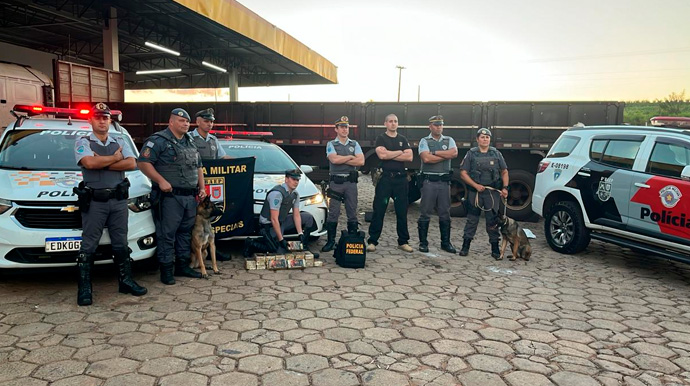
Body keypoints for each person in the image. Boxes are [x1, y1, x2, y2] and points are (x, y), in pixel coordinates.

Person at [74, 102, 147, 306]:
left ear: (110, 120)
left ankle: (126, 282)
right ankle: (85, 289)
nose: (102, 121)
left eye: (105, 118)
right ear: (91, 120)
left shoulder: (119, 140)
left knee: (120, 242)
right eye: (97, 117)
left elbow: (132, 163)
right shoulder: (83, 141)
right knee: (89, 244)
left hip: (118, 200)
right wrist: (115, 159)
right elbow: (88, 163)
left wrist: (104, 161)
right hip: (96, 201)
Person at [138, 108, 207, 284]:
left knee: (185, 232)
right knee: (167, 234)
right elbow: (144, 163)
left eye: (187, 122)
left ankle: (182, 266)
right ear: (171, 122)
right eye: (181, 121)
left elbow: (198, 166)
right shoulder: (158, 141)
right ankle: (166, 270)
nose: (185, 124)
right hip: (169, 197)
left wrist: (202, 187)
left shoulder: (190, 141)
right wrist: (160, 181)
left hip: (189, 197)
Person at [244, 169, 320, 258]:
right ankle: (251, 244)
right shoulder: (277, 194)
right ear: (286, 179)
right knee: (277, 251)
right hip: (269, 224)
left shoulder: (295, 194)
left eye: (297, 180)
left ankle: (304, 247)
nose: (296, 182)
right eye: (293, 179)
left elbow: (296, 215)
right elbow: (273, 219)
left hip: (282, 221)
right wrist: (281, 239)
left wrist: (300, 234)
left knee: (308, 217)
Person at [458, 128, 509, 259]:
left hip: (492, 193)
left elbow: (504, 171)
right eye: (482, 137)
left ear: (490, 139)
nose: (485, 139)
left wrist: (505, 188)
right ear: (477, 139)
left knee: (492, 221)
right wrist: (475, 185)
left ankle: (495, 248)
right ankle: (465, 246)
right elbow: (463, 173)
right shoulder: (471, 154)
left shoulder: (496, 153)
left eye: (487, 137)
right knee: (472, 220)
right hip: (475, 193)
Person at [367, 114, 414, 253]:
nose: (393, 124)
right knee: (379, 210)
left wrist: (391, 153)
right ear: (385, 123)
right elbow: (382, 156)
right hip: (385, 179)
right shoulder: (381, 138)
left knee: (402, 211)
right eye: (390, 121)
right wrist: (400, 152)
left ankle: (403, 241)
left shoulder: (402, 139)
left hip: (401, 180)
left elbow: (410, 157)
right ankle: (372, 241)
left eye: (395, 121)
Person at [191, 107, 232, 262]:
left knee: (211, 220)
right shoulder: (189, 138)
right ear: (198, 122)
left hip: (211, 185)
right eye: (206, 121)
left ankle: (212, 247)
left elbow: (222, 157)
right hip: (194, 185)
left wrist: (244, 160)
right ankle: (193, 254)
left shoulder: (214, 140)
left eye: (211, 122)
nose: (209, 124)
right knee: (194, 221)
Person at [321, 116, 365, 252]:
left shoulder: (354, 144)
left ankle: (352, 239)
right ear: (336, 129)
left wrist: (343, 159)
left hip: (351, 183)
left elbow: (361, 162)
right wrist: (351, 157)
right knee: (333, 212)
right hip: (336, 183)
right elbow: (333, 160)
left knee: (352, 211)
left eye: (346, 127)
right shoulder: (331, 144)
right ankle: (330, 241)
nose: (345, 129)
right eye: (342, 127)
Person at [417, 115, 458, 254]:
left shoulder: (449, 140)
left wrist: (435, 153)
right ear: (430, 126)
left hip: (444, 182)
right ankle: (423, 243)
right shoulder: (424, 140)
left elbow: (454, 153)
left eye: (440, 125)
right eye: (436, 125)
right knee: (425, 212)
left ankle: (445, 243)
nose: (439, 127)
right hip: (429, 181)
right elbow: (426, 158)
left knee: (445, 213)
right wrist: (444, 156)